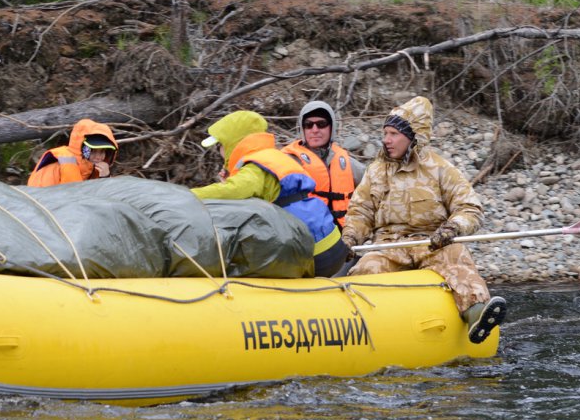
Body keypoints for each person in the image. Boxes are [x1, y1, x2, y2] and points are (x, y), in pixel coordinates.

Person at [340, 95, 507, 344]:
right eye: (385, 133)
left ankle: (477, 313)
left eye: (393, 134)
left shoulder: (440, 169)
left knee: (457, 259)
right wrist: (351, 236)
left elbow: (470, 208)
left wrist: (453, 227)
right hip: (389, 245)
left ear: (412, 136)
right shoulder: (376, 171)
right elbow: (361, 212)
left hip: (433, 243)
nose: (386, 140)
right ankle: (363, 329)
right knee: (366, 268)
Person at [190, 109, 349, 277]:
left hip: (315, 253)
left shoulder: (255, 168)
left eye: (221, 145)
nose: (220, 150)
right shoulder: (271, 156)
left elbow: (233, 190)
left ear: (232, 143)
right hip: (332, 244)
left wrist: (187, 196)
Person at [283, 99, 365, 230]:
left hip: (343, 234)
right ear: (302, 128)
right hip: (305, 235)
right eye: (308, 125)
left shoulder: (345, 161)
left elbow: (375, 185)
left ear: (331, 128)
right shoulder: (288, 160)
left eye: (321, 124)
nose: (314, 130)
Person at [27, 119, 118, 187]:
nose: (98, 157)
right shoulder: (62, 165)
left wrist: (105, 176)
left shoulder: (92, 169)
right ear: (82, 149)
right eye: (93, 151)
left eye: (102, 151)